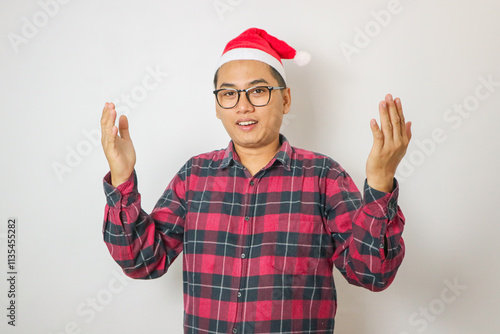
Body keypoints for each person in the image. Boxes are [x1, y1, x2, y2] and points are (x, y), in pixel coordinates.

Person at [100, 28, 412, 333]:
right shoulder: (195, 176)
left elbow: (373, 274)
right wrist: (122, 177)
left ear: (285, 100)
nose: (243, 105)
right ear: (217, 106)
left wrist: (381, 182)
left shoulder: (324, 177)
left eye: (258, 91)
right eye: (228, 94)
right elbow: (142, 260)